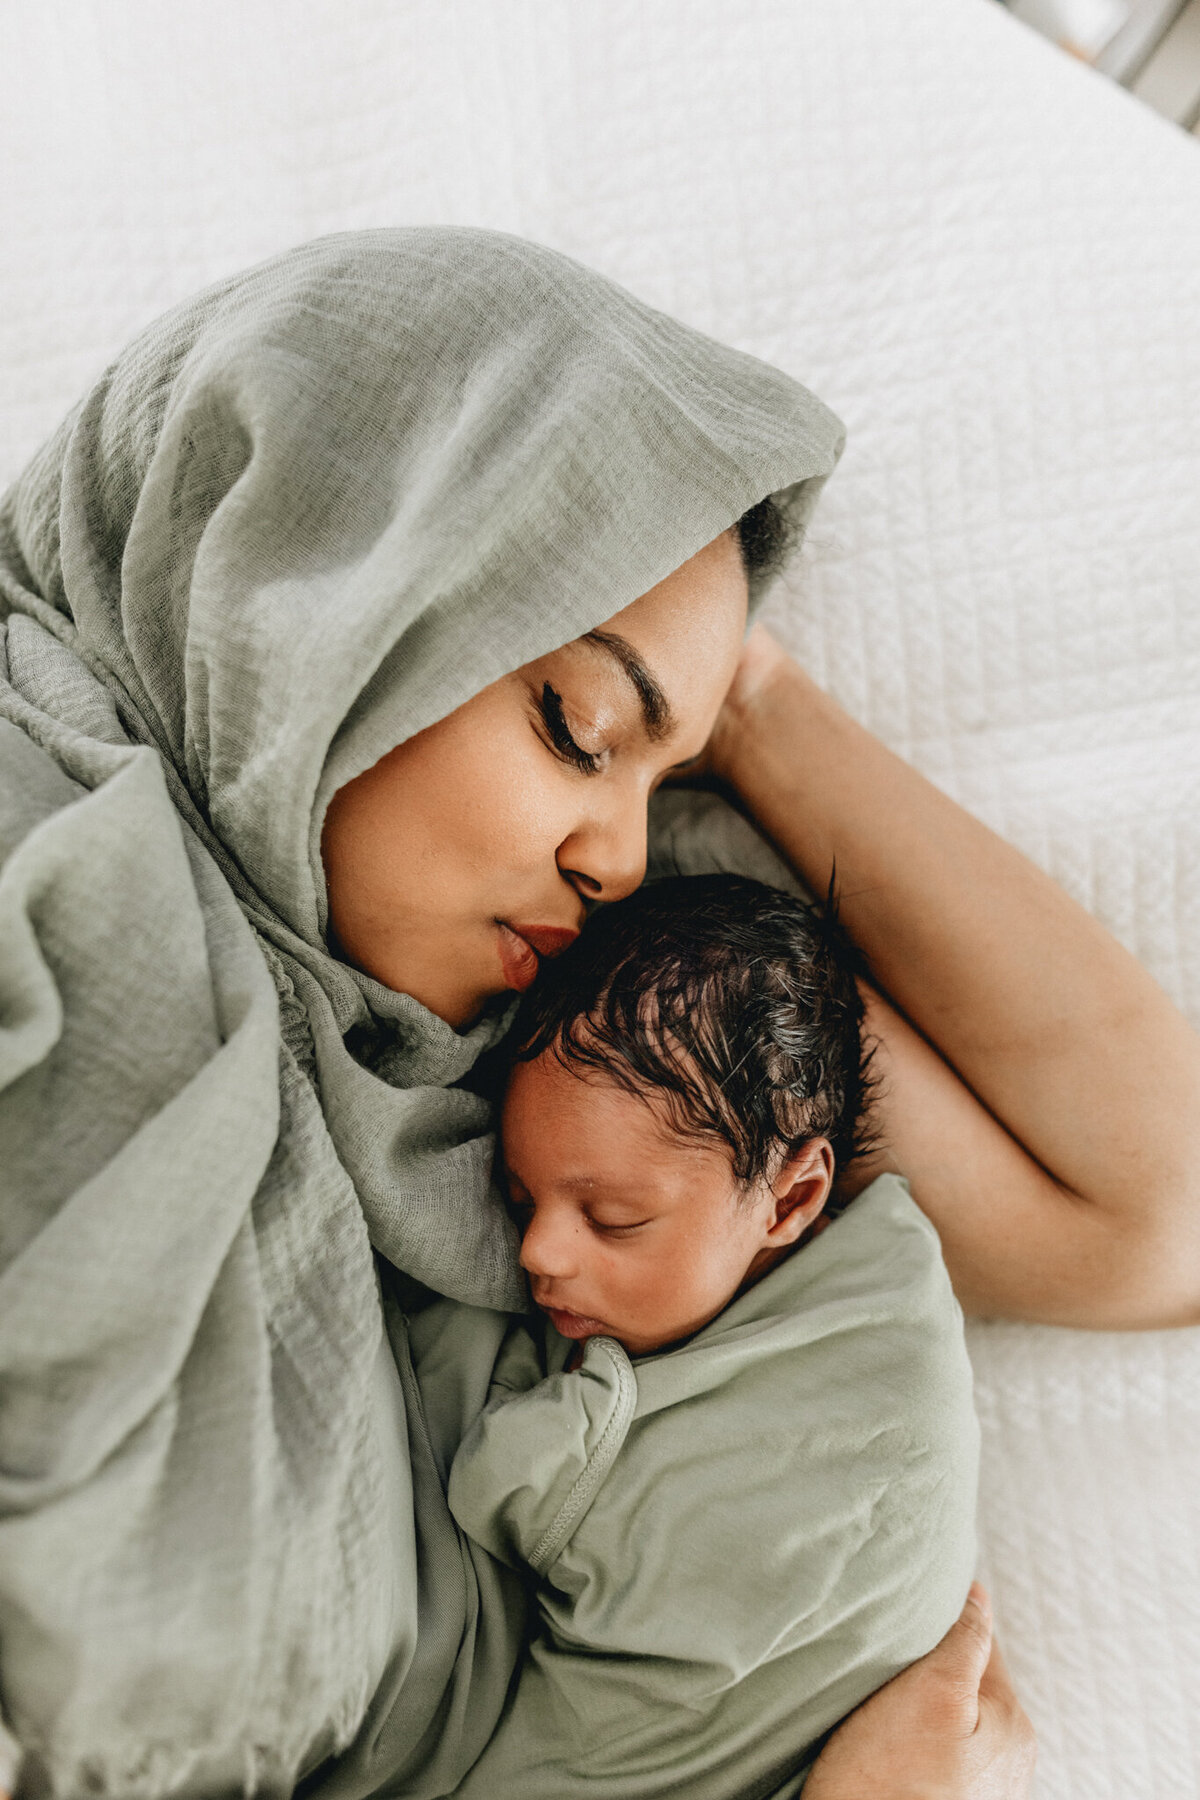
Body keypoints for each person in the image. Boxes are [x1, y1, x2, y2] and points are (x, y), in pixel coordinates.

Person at [2, 226, 1196, 1799]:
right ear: (320, 588)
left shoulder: (563, 1047)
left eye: (661, 778)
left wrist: (748, 710)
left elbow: (1148, 1217)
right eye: (573, 724)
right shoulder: (56, 857)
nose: (619, 849)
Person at [432, 873, 980, 1796]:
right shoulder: (885, 1279)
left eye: (610, 1218)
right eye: (522, 1196)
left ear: (794, 1198)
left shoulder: (861, 1392)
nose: (538, 1249)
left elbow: (509, 1486)